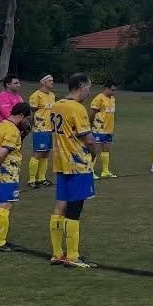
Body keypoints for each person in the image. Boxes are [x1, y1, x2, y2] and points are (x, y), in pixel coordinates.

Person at [49, 74, 98, 269]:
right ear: (80, 86)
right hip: (77, 164)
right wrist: (93, 154)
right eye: (88, 87)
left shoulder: (57, 105)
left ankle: (56, 253)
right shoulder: (77, 108)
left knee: (60, 205)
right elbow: (88, 139)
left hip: (61, 162)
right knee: (74, 210)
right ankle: (72, 255)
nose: (89, 92)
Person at [0, 101, 32, 251]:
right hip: (7, 174)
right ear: (21, 115)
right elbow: (2, 153)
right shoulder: (12, 131)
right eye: (27, 118)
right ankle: (0, 242)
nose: (27, 122)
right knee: (6, 205)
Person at [27, 75, 57, 188]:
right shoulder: (36, 96)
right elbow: (31, 113)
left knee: (46, 154)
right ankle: (31, 180)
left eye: (52, 80)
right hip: (40, 129)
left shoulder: (52, 95)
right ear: (43, 82)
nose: (52, 82)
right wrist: (31, 126)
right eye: (50, 81)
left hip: (49, 129)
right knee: (38, 153)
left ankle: (41, 178)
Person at [90, 82, 118, 178]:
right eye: (112, 90)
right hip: (99, 129)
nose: (114, 92)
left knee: (106, 149)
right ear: (106, 88)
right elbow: (92, 113)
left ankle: (105, 171)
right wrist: (90, 125)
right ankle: (90, 171)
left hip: (109, 129)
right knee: (96, 150)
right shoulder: (98, 98)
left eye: (115, 90)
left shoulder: (113, 99)